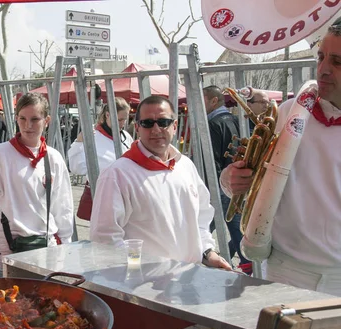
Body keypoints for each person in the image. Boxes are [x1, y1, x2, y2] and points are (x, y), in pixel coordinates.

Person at [220, 20, 341, 295]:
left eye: (337, 62)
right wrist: (231, 179)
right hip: (287, 271)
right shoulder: (289, 112)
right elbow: (245, 178)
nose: (322, 70)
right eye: (321, 57)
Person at [90, 95, 232, 271]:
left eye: (163, 122)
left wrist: (207, 252)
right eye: (148, 123)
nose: (156, 129)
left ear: (174, 126)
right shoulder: (117, 174)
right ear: (137, 128)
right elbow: (105, 238)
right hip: (144, 285)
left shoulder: (185, 166)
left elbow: (201, 217)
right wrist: (136, 272)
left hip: (190, 277)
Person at [0, 92, 74, 268]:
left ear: (46, 121)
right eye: (22, 118)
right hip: (9, 243)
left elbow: (63, 206)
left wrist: (65, 242)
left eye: (35, 119)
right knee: (7, 294)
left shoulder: (53, 158)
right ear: (16, 119)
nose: (28, 125)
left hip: (45, 244)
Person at [203, 85, 250, 267]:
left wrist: (208, 188)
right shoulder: (236, 120)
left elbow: (211, 159)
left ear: (214, 101)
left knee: (207, 227)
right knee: (233, 227)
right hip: (234, 184)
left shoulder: (213, 123)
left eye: (203, 99)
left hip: (219, 185)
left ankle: (246, 263)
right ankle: (245, 263)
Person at [68, 97, 134, 220]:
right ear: (108, 115)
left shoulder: (125, 136)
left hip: (123, 194)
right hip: (101, 194)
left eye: (126, 119)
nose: (123, 123)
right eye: (119, 119)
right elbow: (76, 168)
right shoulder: (92, 135)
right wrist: (79, 142)